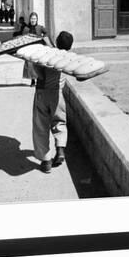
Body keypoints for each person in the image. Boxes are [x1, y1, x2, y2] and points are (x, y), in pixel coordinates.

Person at [32, 31, 74, 173]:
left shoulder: (48, 55)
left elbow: (37, 71)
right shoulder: (68, 58)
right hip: (58, 94)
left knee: (41, 126)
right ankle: (60, 149)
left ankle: (46, 161)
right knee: (59, 121)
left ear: (56, 41)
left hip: (42, 93)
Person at [22, 12, 47, 87]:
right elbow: (22, 38)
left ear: (37, 19)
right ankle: (33, 80)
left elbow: (46, 33)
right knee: (30, 65)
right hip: (29, 48)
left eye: (35, 18)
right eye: (32, 18)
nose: (33, 20)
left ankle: (39, 79)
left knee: (38, 64)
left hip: (38, 48)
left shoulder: (40, 27)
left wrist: (43, 39)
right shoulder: (26, 28)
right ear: (29, 19)